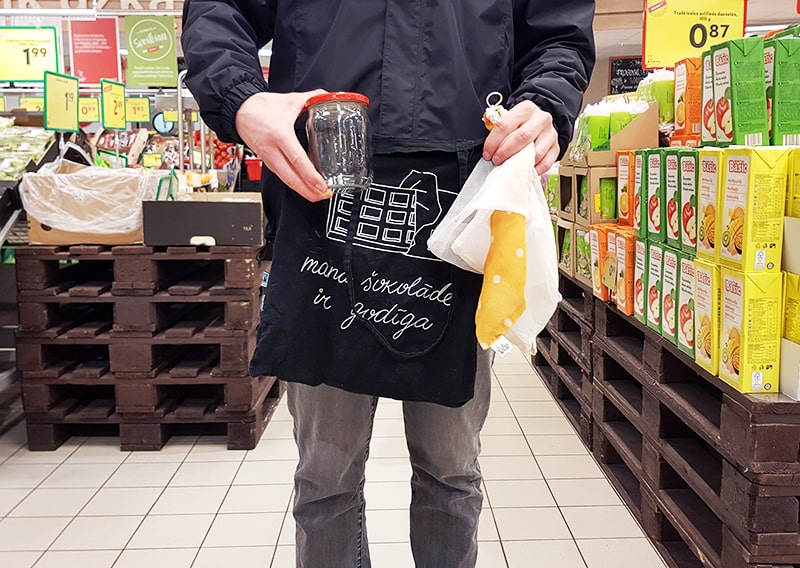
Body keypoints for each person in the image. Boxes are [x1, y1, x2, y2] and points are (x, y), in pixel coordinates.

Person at [181, 2, 595, 566]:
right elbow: (220, 7)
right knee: (326, 477)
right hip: (322, 192)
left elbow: (557, 32)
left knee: (450, 472)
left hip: (461, 210)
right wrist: (240, 96)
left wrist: (547, 101)